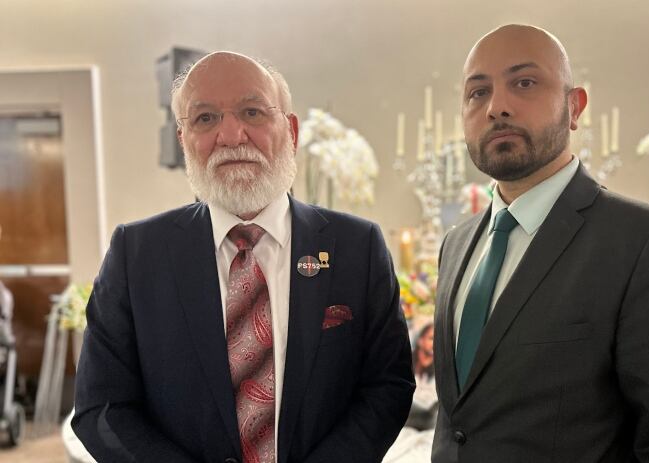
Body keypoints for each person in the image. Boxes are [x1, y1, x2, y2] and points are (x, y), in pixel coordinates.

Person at [72, 51, 414, 463]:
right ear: (183, 140)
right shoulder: (136, 254)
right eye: (205, 118)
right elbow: (102, 407)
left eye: (252, 112)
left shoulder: (357, 247)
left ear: (290, 130)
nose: (231, 135)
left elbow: (387, 385)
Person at [432, 24, 649, 462]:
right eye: (477, 93)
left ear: (574, 108)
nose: (497, 107)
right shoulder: (457, 245)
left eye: (525, 82)